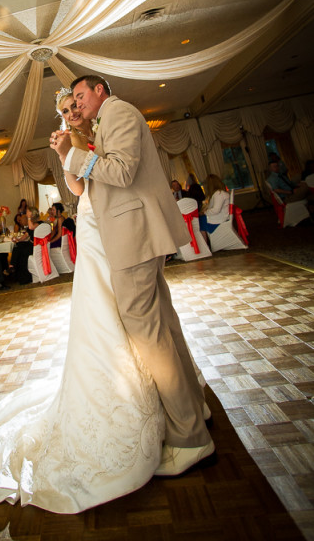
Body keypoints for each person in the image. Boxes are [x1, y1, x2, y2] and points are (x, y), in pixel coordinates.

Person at [0, 88, 166, 513]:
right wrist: (64, 154)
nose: (72, 113)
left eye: (75, 106)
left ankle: (155, 375)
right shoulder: (72, 139)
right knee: (104, 308)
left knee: (134, 305)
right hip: (93, 223)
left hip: (117, 221)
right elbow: (76, 188)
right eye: (65, 110)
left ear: (88, 103)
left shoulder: (106, 126)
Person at [51, 75, 214, 476]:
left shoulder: (119, 112)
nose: (76, 105)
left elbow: (122, 173)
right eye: (71, 103)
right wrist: (70, 153)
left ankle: (191, 437)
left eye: (80, 96)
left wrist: (72, 155)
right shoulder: (104, 122)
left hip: (132, 235)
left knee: (150, 336)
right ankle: (195, 409)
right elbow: (92, 183)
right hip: (126, 235)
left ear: (99, 91)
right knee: (164, 325)